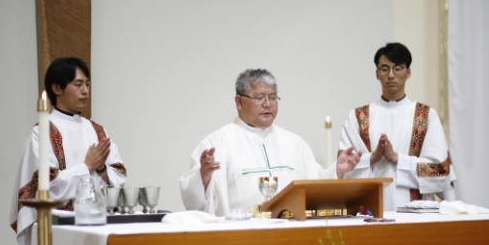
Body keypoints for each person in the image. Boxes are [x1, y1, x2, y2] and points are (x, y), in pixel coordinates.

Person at [8, 57, 126, 245]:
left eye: (87, 84)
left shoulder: (97, 130)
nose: (86, 91)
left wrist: (101, 170)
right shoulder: (42, 133)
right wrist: (86, 167)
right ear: (57, 88)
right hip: (58, 240)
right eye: (78, 84)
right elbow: (40, 187)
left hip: (96, 235)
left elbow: (118, 176)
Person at [180, 68, 362, 216]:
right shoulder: (217, 143)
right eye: (260, 98)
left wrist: (336, 171)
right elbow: (194, 202)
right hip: (241, 237)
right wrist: (204, 176)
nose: (268, 104)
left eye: (273, 97)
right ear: (239, 101)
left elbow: (314, 184)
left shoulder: (294, 143)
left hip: (290, 233)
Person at [339, 43, 456, 211]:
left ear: (408, 72)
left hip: (416, 215)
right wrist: (373, 158)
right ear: (377, 74)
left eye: (398, 69)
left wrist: (397, 159)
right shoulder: (358, 117)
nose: (391, 75)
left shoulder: (425, 116)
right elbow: (343, 169)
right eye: (385, 69)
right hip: (370, 214)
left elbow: (440, 172)